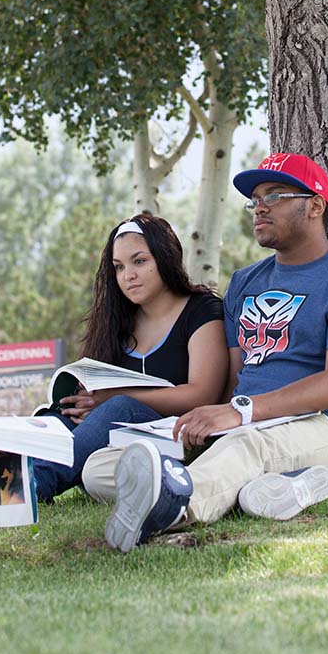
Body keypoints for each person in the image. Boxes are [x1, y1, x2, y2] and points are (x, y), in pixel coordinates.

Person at [82, 152, 328, 551]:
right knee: (101, 466)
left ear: (315, 206)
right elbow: (233, 380)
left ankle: (172, 507)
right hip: (246, 424)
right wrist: (206, 423)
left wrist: (241, 413)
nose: (260, 207)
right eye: (255, 199)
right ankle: (269, 490)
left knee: (243, 448)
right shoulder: (246, 282)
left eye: (274, 195)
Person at [31, 213, 228, 502]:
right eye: (119, 267)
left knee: (121, 406)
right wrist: (84, 405)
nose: (128, 275)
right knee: (57, 416)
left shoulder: (202, 310)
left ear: (165, 257)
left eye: (139, 261)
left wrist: (113, 398)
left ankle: (34, 486)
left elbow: (203, 394)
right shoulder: (118, 321)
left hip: (177, 433)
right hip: (113, 441)